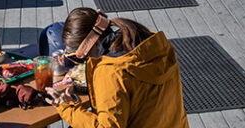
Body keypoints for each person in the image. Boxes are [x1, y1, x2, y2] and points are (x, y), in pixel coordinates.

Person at [45, 7, 188, 128]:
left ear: (93, 44)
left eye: (78, 56)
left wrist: (67, 108)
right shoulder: (153, 43)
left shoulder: (111, 71)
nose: (83, 61)